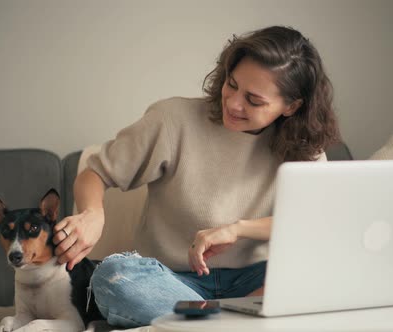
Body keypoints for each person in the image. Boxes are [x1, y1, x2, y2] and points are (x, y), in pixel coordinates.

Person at [52, 25, 339, 328]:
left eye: (253, 100)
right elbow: (94, 173)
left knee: (330, 268)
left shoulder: (305, 145)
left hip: (259, 283)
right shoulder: (173, 120)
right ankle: (235, 322)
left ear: (291, 106)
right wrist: (92, 213)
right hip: (171, 281)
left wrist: (238, 230)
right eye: (231, 84)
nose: (233, 103)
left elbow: (313, 222)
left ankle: (201, 322)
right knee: (113, 277)